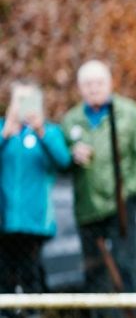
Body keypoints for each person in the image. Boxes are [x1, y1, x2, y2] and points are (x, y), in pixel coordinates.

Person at [61, 60, 136, 315]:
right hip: (87, 208)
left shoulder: (129, 113)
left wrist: (126, 192)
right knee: (93, 272)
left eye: (98, 82)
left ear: (110, 83)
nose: (93, 88)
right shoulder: (71, 120)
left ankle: (130, 314)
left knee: (125, 267)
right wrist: (71, 155)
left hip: (121, 208)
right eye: (87, 84)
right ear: (80, 88)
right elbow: (58, 161)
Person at [0, 81, 71, 307]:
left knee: (31, 274)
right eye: (18, 100)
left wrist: (42, 132)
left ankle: (33, 313)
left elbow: (63, 162)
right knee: (4, 276)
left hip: (35, 221)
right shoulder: (3, 129)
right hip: (4, 220)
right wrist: (4, 135)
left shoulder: (48, 132)